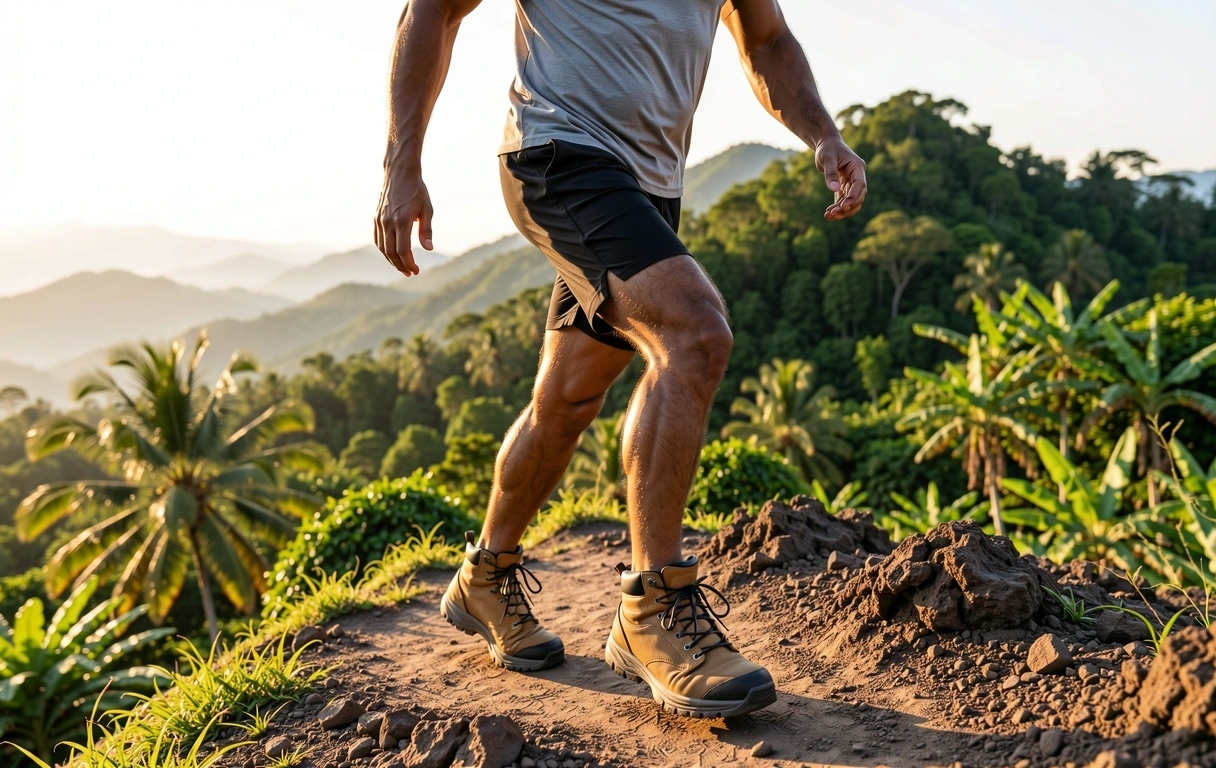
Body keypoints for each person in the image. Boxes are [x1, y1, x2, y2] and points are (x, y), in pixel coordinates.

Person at [374, 0, 866, 718]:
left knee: (569, 397)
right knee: (694, 336)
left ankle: (484, 574)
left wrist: (823, 135)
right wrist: (401, 163)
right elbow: (432, 11)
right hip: (558, 157)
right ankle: (653, 608)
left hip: (648, 187)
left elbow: (767, 39)